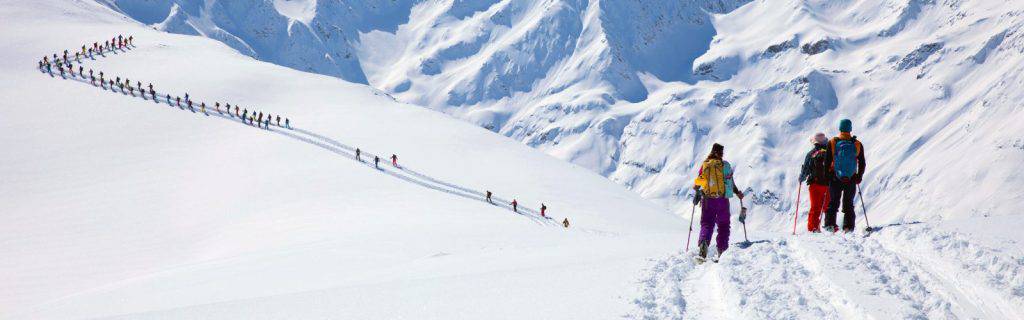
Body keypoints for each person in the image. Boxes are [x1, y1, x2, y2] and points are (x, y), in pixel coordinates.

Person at [692, 143, 744, 261]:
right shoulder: (725, 166)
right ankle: (722, 250)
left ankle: (703, 245)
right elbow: (731, 183)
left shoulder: (705, 165)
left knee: (707, 224)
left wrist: (697, 189)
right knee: (723, 225)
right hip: (722, 201)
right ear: (721, 153)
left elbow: (697, 184)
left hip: (707, 200)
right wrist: (737, 193)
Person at [824, 119, 866, 233]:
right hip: (851, 178)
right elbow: (862, 163)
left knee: (833, 201)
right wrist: (859, 176)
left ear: (840, 128)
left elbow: (827, 161)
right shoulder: (857, 144)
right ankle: (848, 227)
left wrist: (827, 176)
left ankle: (829, 225)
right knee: (848, 203)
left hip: (834, 177)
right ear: (850, 129)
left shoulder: (833, 142)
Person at [799, 133, 831, 232]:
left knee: (815, 208)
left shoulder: (811, 153)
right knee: (828, 207)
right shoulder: (831, 152)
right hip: (828, 185)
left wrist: (801, 178)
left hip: (815, 185)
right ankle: (831, 227)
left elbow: (806, 170)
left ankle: (813, 228)